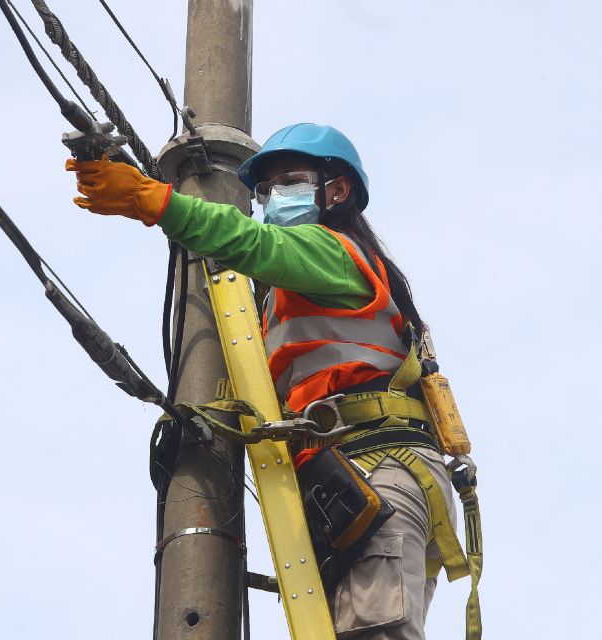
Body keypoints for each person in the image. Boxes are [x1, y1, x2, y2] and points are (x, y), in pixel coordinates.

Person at [67, 123, 470, 640]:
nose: (275, 197)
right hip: (348, 484)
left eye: (291, 182)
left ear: (337, 190)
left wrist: (153, 199)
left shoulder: (335, 252)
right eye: (265, 189)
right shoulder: (282, 302)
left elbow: (252, 243)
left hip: (379, 472)